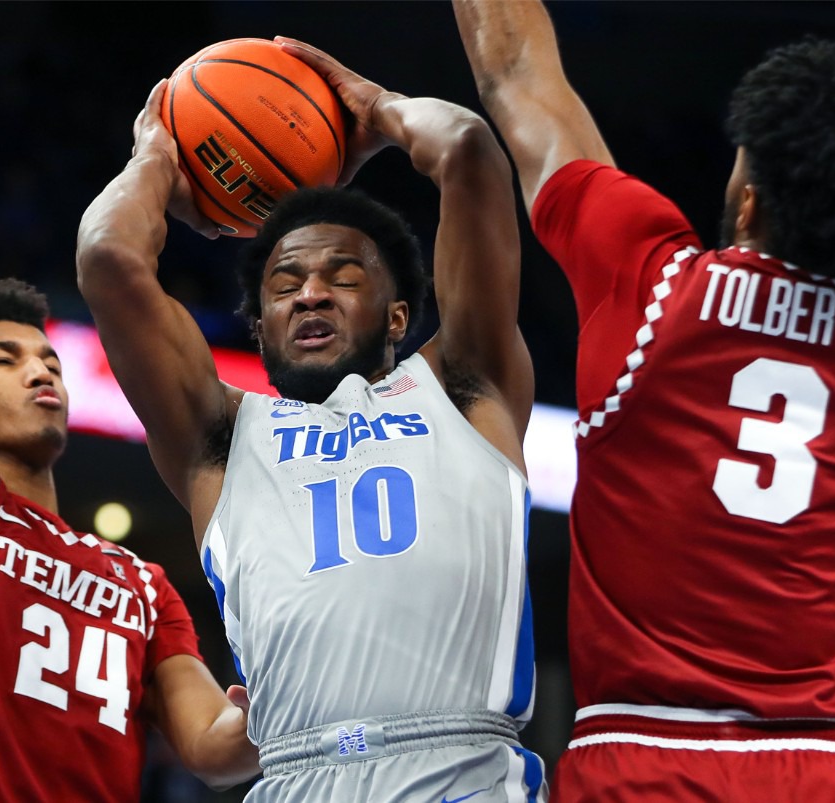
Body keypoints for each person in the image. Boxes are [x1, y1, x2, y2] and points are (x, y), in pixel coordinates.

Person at [453, 0, 835, 799]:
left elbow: (517, 75)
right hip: (824, 770)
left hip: (636, 757)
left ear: (747, 202)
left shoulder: (656, 289)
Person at [77, 36, 547, 801]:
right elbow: (107, 256)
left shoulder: (464, 387)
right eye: (286, 282)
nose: (311, 293)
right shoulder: (222, 437)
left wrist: (378, 111)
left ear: (398, 315)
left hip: (461, 770)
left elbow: (465, 147)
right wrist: (158, 156)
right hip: (291, 776)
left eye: (343, 276)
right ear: (259, 329)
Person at [0, 2, 260, 800]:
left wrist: (292, 691)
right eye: (4, 357)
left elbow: (213, 745)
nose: (43, 371)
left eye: (48, 358)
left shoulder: (139, 581)